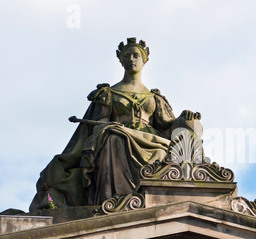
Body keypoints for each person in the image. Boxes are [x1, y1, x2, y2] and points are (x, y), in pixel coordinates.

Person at [29, 38, 201, 211]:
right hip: (118, 136)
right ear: (121, 60)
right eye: (127, 56)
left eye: (136, 55)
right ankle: (115, 201)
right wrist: (111, 127)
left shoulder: (154, 97)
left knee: (160, 151)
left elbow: (167, 125)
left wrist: (184, 118)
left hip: (151, 140)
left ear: (144, 61)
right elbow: (98, 125)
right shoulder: (108, 93)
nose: (131, 59)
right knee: (113, 139)